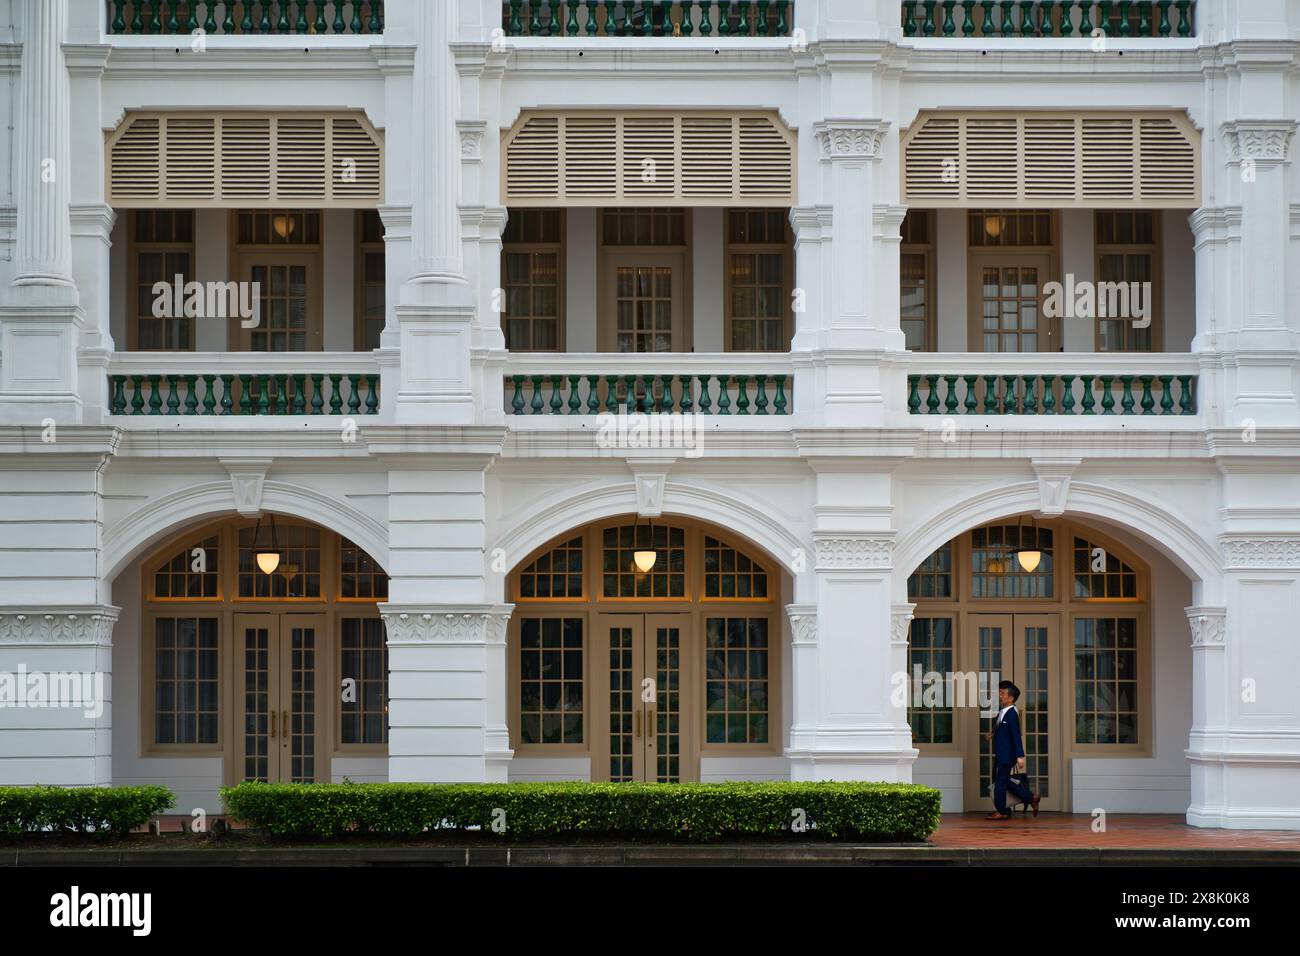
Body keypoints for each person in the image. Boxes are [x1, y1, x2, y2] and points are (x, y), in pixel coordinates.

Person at [985, 680, 1040, 820]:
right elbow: (1003, 729)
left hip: (1007, 755)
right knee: (1001, 780)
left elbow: (1016, 736)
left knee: (1000, 782)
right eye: (1000, 692)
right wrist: (993, 733)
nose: (1000, 695)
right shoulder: (1003, 711)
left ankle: (1002, 810)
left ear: (1011, 698)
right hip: (1001, 752)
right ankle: (1031, 797)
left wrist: (1020, 756)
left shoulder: (1012, 714)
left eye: (1002, 693)